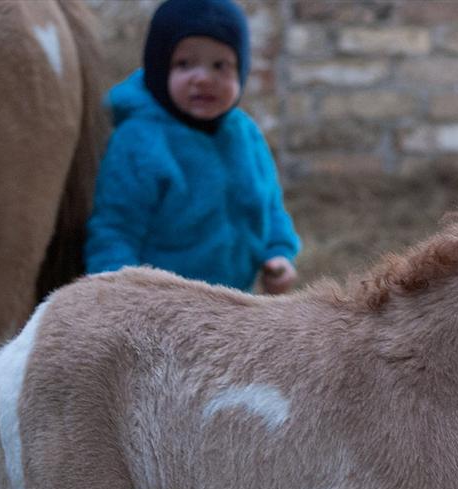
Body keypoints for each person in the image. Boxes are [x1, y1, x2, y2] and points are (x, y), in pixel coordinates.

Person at [85, 0, 299, 294]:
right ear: (159, 69)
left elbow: (269, 206)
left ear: (241, 70)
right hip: (159, 306)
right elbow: (114, 231)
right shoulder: (138, 141)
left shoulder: (246, 134)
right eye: (184, 64)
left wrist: (278, 254)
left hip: (233, 301)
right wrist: (116, 295)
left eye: (220, 65)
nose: (204, 78)